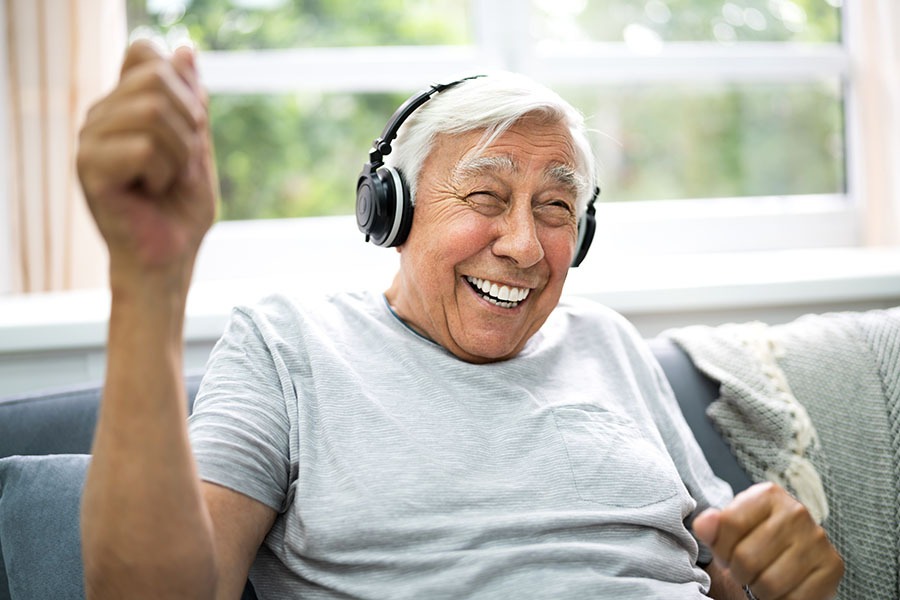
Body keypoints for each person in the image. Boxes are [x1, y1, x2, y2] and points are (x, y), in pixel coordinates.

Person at [77, 40, 844, 600]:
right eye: (484, 198)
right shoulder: (288, 345)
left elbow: (726, 571)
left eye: (555, 208)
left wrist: (779, 574)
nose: (523, 245)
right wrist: (148, 281)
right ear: (391, 211)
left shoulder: (608, 342)